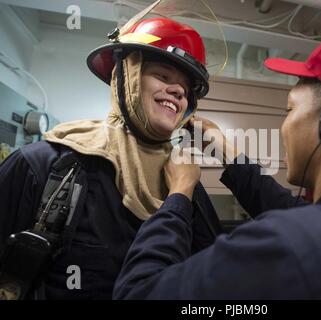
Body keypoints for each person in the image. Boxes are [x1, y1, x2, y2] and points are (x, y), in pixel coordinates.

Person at [113, 19, 321, 299]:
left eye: (289, 109)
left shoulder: (284, 246)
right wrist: (229, 156)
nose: (284, 124)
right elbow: (301, 213)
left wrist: (178, 196)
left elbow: (137, 293)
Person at [0, 17, 222, 299]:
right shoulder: (41, 166)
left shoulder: (187, 183)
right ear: (126, 77)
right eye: (164, 77)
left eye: (185, 90)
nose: (179, 91)